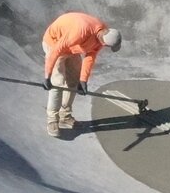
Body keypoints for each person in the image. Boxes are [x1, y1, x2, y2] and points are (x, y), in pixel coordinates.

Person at [41, 11, 119, 139]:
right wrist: (47, 76)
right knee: (58, 83)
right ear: (103, 40)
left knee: (74, 81)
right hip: (54, 44)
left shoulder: (102, 35)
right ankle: (52, 120)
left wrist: (83, 80)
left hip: (72, 48)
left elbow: (90, 57)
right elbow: (56, 51)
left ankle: (64, 116)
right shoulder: (80, 32)